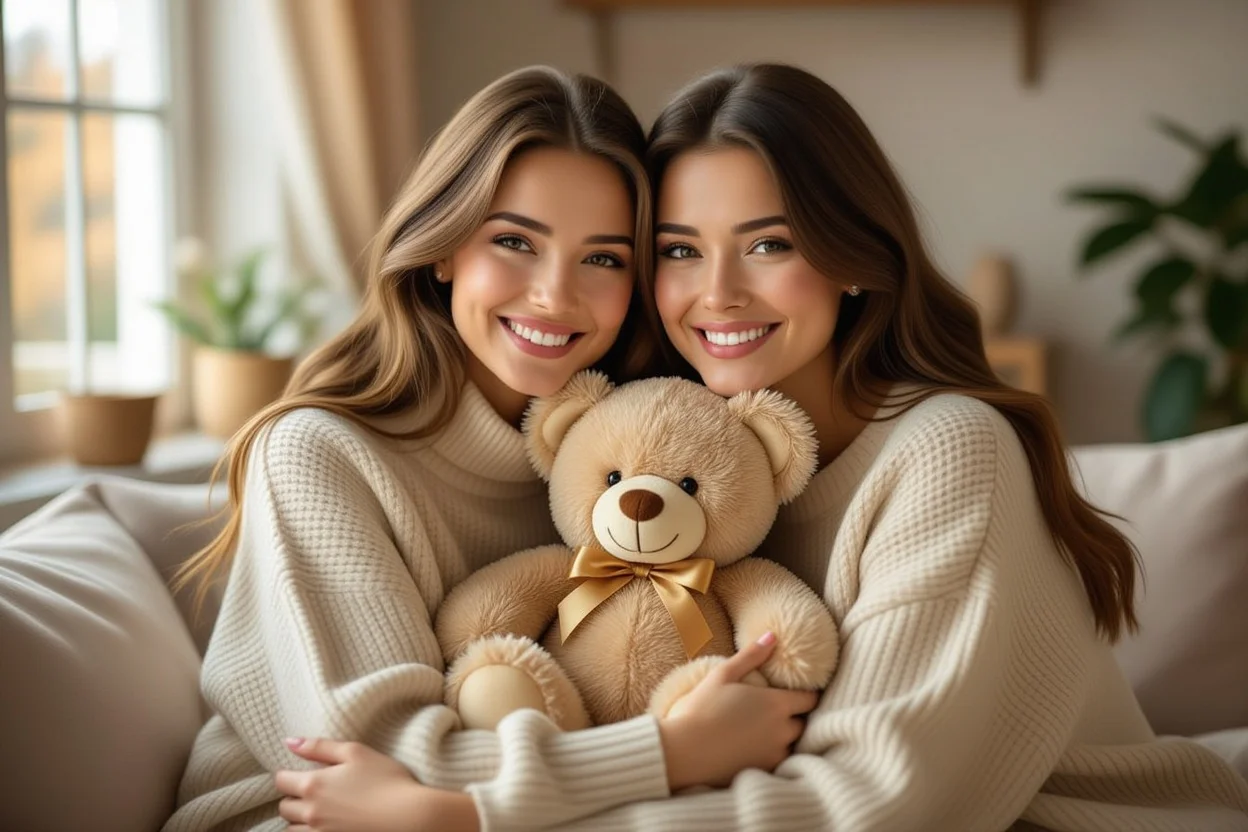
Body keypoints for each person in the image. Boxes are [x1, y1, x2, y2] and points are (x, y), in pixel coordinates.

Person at [275, 63, 1248, 831]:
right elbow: (361, 770)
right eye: (680, 250)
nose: (719, 293)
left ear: (856, 258)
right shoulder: (641, 456)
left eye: (771, 244)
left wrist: (469, 814)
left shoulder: (947, 450)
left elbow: (876, 804)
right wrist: (655, 756)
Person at [164, 65, 816, 832]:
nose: (552, 294)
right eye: (514, 241)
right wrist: (665, 754)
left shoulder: (639, 451)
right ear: (442, 249)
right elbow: (379, 757)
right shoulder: (317, 453)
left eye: (602, 258)